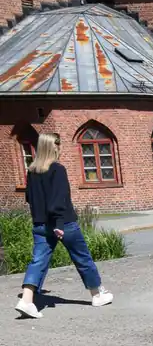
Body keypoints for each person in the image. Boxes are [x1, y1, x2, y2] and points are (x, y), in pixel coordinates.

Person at [14, 133, 113, 319]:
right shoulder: (57, 169)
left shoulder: (32, 171)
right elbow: (59, 199)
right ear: (53, 147)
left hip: (40, 225)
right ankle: (97, 295)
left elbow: (29, 198)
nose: (60, 148)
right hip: (64, 224)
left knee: (38, 261)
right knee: (82, 258)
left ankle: (26, 301)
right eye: (58, 145)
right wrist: (59, 223)